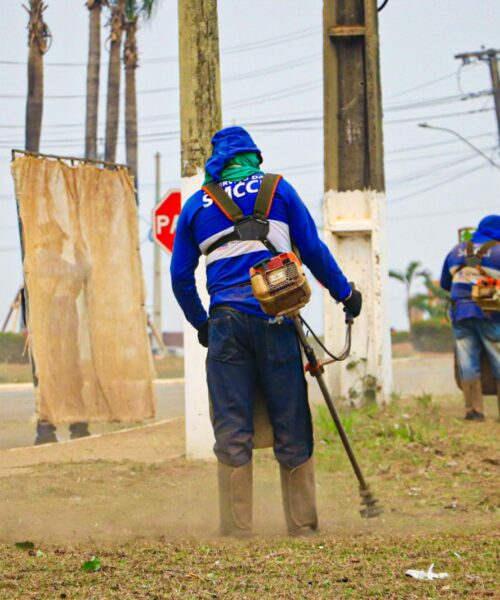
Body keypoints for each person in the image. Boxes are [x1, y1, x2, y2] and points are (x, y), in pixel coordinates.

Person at [170, 126, 362, 536]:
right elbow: (312, 250)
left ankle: (237, 529)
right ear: (253, 157)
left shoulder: (195, 206)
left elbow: (180, 277)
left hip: (226, 324)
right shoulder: (279, 189)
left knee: (232, 422)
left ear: (217, 161)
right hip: (277, 317)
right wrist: (346, 294)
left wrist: (202, 323)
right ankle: (303, 525)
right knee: (290, 417)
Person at [440, 215, 500, 421]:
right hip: (489, 311)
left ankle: (474, 411)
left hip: (460, 312)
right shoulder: (499, 250)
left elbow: (445, 284)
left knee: (467, 361)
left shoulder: (456, 251)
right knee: (498, 357)